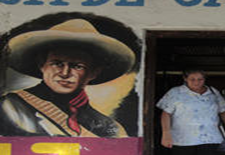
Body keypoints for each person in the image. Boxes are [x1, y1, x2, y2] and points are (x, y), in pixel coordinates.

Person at [0, 18, 135, 137]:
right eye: (57, 64)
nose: (64, 73)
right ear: (42, 65)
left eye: (77, 66)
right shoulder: (10, 105)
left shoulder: (110, 128)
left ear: (94, 73)